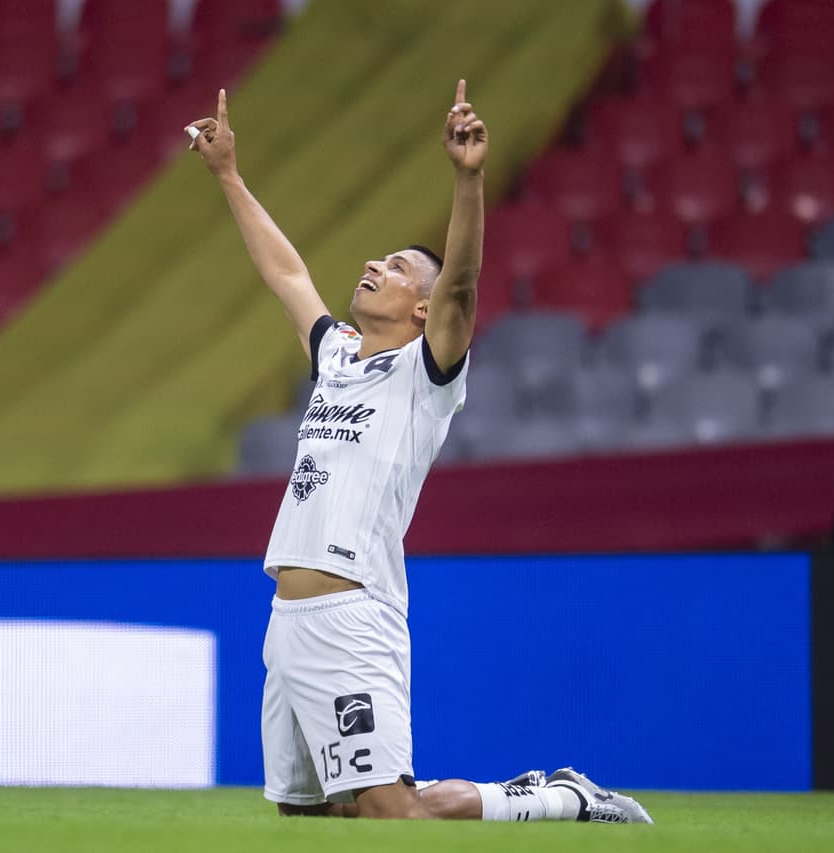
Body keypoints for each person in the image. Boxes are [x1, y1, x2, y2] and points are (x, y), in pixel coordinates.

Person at [186, 81, 652, 824]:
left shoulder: (425, 376)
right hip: (287, 620)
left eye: (402, 268)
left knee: (393, 810)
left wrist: (468, 180)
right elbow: (286, 274)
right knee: (314, 815)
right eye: (386, 258)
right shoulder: (336, 353)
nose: (378, 264)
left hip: (353, 611)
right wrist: (229, 176)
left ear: (424, 311)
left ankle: (560, 796)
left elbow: (462, 285)